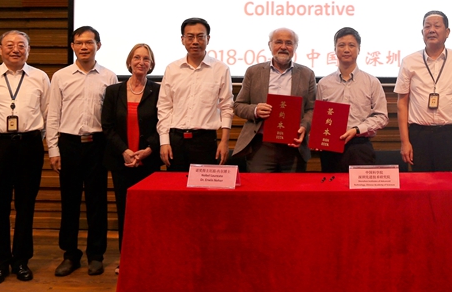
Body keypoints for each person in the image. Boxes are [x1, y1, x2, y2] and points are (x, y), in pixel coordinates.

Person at [0, 30, 50, 285]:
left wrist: (30, 136)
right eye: (9, 45)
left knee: (26, 206)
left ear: (29, 50)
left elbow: (47, 112)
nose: (15, 49)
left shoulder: (40, 77)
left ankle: (21, 261)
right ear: (0, 49)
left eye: (21, 45)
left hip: (30, 145)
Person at [46, 26, 117, 277]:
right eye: (79, 42)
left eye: (89, 42)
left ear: (99, 45)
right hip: (69, 145)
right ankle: (70, 254)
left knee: (97, 202)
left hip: (98, 144)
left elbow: (112, 118)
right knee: (70, 202)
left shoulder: (109, 76)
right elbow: (53, 114)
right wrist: (53, 149)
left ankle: (95, 255)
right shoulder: (60, 76)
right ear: (72, 46)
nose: (84, 47)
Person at [101, 43, 161, 275]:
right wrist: (125, 151)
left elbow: (163, 125)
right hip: (122, 161)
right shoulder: (113, 91)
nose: (141, 62)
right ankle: (126, 259)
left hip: (148, 161)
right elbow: (107, 127)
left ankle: (149, 258)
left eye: (146, 59)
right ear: (129, 62)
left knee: (148, 213)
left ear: (151, 64)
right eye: (137, 57)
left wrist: (148, 150)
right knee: (125, 212)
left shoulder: (158, 90)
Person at [394, 10, 452, 175]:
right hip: (419, 134)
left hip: (450, 134)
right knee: (421, 185)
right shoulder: (409, 61)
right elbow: (402, 103)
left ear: (447, 32)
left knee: (449, 185)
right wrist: (405, 142)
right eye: (427, 26)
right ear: (422, 32)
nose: (431, 30)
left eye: (437, 26)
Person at [233, 28, 315, 172]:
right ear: (270, 45)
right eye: (278, 42)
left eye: (289, 43)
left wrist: (304, 126)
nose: (283, 47)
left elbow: (312, 109)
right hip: (261, 146)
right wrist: (255, 110)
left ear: (295, 47)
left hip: (293, 146)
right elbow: (238, 105)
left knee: (292, 187)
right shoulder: (253, 72)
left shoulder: (307, 74)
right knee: (259, 186)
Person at [156, 18, 233, 171]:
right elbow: (164, 107)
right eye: (190, 37)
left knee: (204, 185)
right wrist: (164, 142)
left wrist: (224, 141)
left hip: (205, 141)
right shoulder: (172, 69)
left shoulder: (221, 69)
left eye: (200, 36)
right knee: (176, 184)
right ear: (182, 40)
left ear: (208, 39)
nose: (195, 42)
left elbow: (227, 107)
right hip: (175, 140)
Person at [315, 27, 388, 172]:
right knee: (332, 186)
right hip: (330, 147)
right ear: (335, 49)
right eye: (341, 45)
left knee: (360, 188)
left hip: (359, 146)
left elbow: (382, 116)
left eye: (351, 45)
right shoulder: (323, 83)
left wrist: (357, 130)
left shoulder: (372, 82)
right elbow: (319, 117)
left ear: (359, 49)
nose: (346, 49)